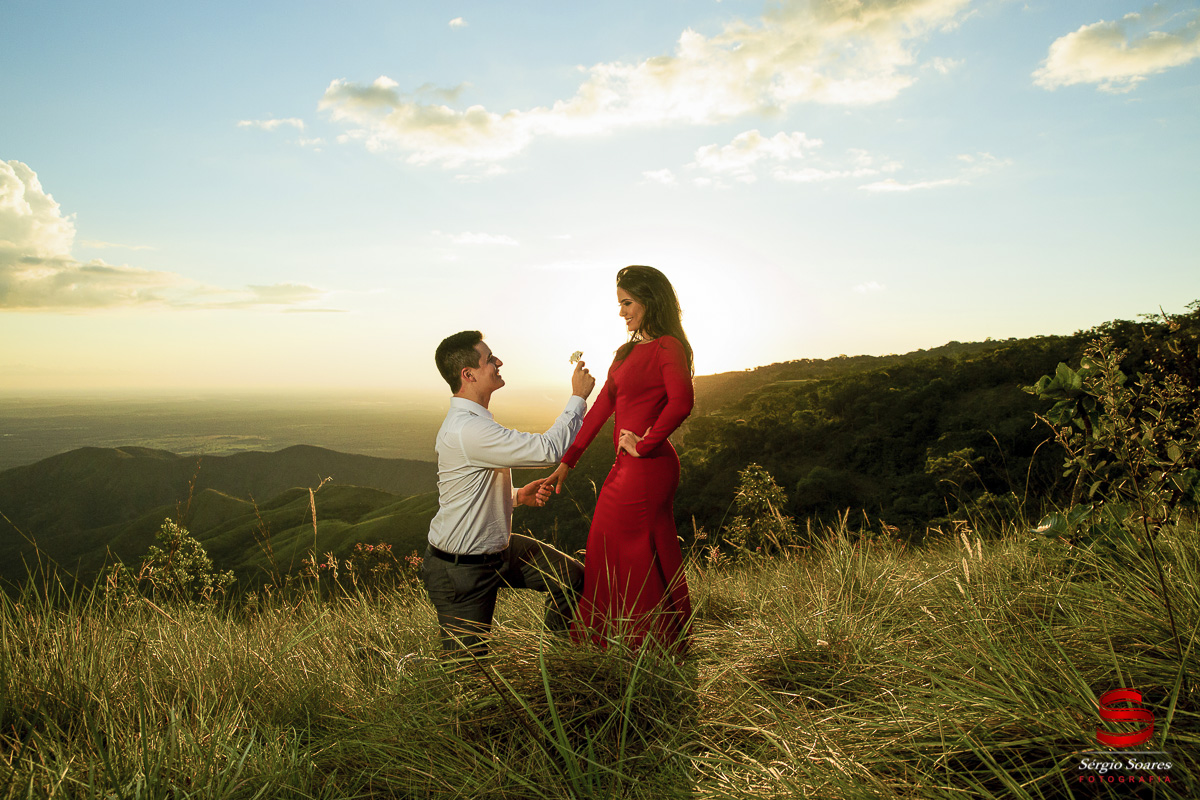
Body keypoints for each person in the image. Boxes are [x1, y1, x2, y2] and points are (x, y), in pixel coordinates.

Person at [544, 266, 695, 652]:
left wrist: (643, 444)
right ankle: (627, 642)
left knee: (625, 550)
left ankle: (642, 644)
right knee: (611, 548)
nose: (622, 312)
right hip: (627, 466)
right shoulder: (626, 352)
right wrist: (568, 460)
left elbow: (681, 403)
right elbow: (600, 410)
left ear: (650, 300)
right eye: (620, 304)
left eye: (627, 303)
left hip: (648, 466)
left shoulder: (668, 347)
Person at [422, 330, 597, 655]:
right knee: (468, 676)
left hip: (498, 551)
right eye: (490, 359)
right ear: (468, 374)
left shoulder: (473, 424)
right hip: (462, 571)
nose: (498, 362)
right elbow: (547, 450)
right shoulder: (468, 429)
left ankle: (557, 662)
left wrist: (516, 496)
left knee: (571, 578)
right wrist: (578, 398)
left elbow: (469, 490)